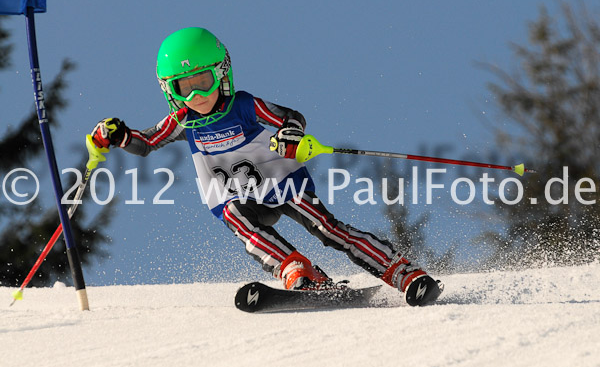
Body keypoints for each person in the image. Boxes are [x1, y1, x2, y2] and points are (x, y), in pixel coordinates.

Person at [91, 27, 442, 306]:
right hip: (233, 194)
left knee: (326, 228)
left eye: (204, 82)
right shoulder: (182, 121)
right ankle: (298, 271)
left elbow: (290, 117)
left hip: (281, 181)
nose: (196, 95)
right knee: (237, 220)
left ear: (221, 73)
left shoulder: (242, 105)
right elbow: (146, 142)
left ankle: (403, 272)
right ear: (171, 90)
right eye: (185, 87)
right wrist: (118, 136)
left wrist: (290, 134)